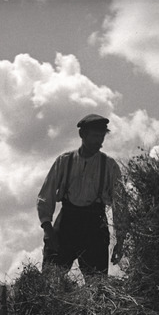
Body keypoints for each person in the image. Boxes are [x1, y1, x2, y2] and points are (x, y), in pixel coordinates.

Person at [37, 113, 124, 279]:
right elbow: (45, 196)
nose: (98, 141)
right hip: (67, 222)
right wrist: (48, 229)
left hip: (95, 226)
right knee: (50, 281)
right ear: (82, 135)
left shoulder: (110, 166)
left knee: (97, 285)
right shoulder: (64, 161)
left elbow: (120, 206)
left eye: (101, 136)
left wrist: (120, 241)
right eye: (94, 136)